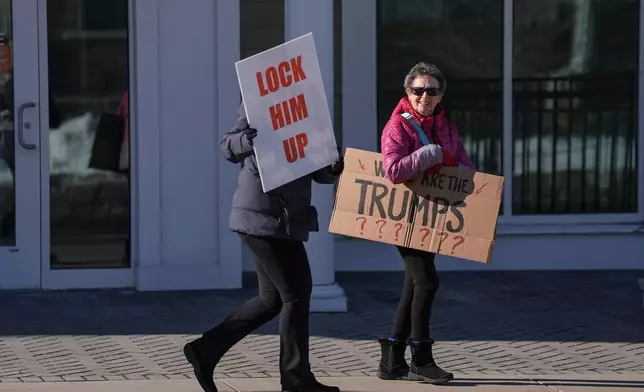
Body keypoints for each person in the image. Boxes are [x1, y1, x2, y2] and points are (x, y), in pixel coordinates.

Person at [183, 102, 344, 392]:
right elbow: (227, 145)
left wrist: (333, 166)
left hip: (286, 220)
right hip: (259, 216)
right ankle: (295, 379)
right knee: (297, 293)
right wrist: (250, 138)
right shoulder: (260, 100)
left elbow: (318, 168)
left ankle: (205, 350)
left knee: (272, 299)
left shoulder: (310, 108)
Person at [377, 62, 474, 385]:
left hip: (433, 216)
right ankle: (421, 358)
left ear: (440, 94)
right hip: (406, 216)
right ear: (408, 92)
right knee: (427, 281)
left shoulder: (446, 125)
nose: (424, 96)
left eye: (431, 90)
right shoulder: (398, 126)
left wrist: (456, 165)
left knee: (413, 285)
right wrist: (430, 155)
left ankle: (391, 360)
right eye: (418, 90)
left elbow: (466, 166)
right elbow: (393, 171)